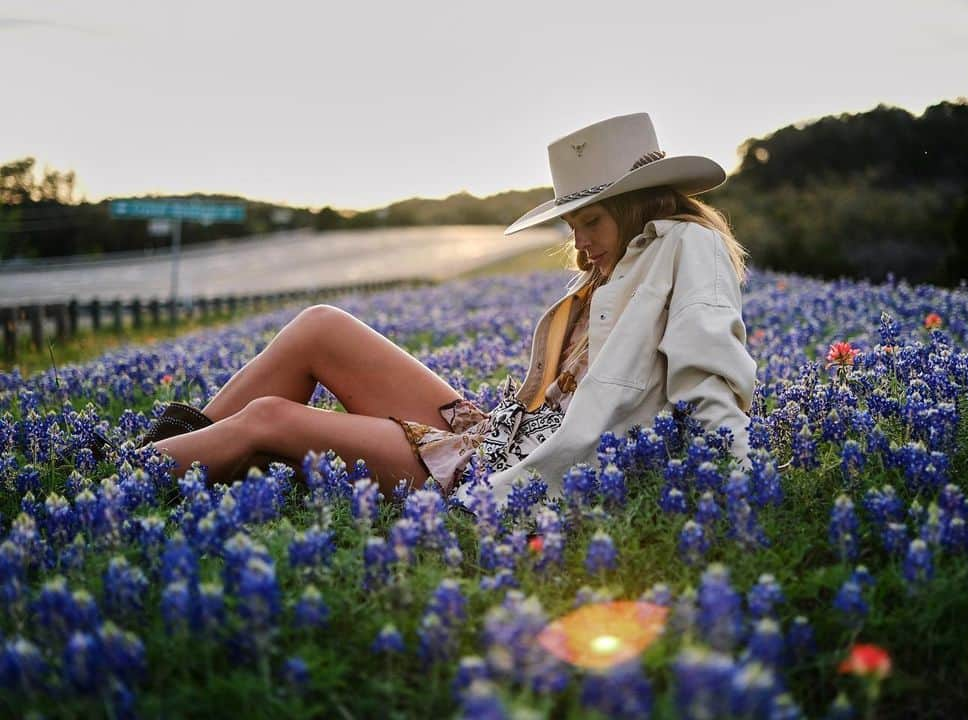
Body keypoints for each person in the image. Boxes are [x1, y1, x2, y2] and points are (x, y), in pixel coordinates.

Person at [95, 112, 757, 510]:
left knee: (270, 419)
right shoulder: (616, 267)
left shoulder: (685, 246)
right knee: (320, 326)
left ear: (641, 205)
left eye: (589, 221)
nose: (578, 242)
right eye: (572, 223)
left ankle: (114, 492)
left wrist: (733, 483)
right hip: (495, 432)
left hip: (506, 474)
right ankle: (164, 457)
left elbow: (710, 370)